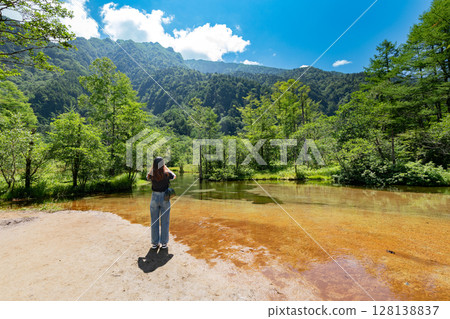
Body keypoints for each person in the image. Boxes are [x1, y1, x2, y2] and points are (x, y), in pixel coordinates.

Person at [147, 157, 176, 249]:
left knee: (154, 221)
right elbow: (174, 176)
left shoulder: (151, 175)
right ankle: (164, 243)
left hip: (154, 197)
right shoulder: (167, 174)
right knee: (165, 221)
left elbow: (147, 178)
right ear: (163, 164)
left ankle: (155, 244)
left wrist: (153, 168)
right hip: (165, 197)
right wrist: (166, 168)